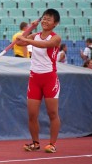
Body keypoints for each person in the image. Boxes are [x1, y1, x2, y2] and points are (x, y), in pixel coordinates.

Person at [16, 9, 61, 153]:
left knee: (52, 113)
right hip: (34, 78)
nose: (45, 21)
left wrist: (28, 39)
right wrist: (30, 29)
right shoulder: (35, 35)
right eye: (44, 18)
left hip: (49, 78)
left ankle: (52, 144)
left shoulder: (56, 38)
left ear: (55, 24)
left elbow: (43, 45)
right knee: (32, 114)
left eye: (49, 19)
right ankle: (35, 143)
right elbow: (18, 42)